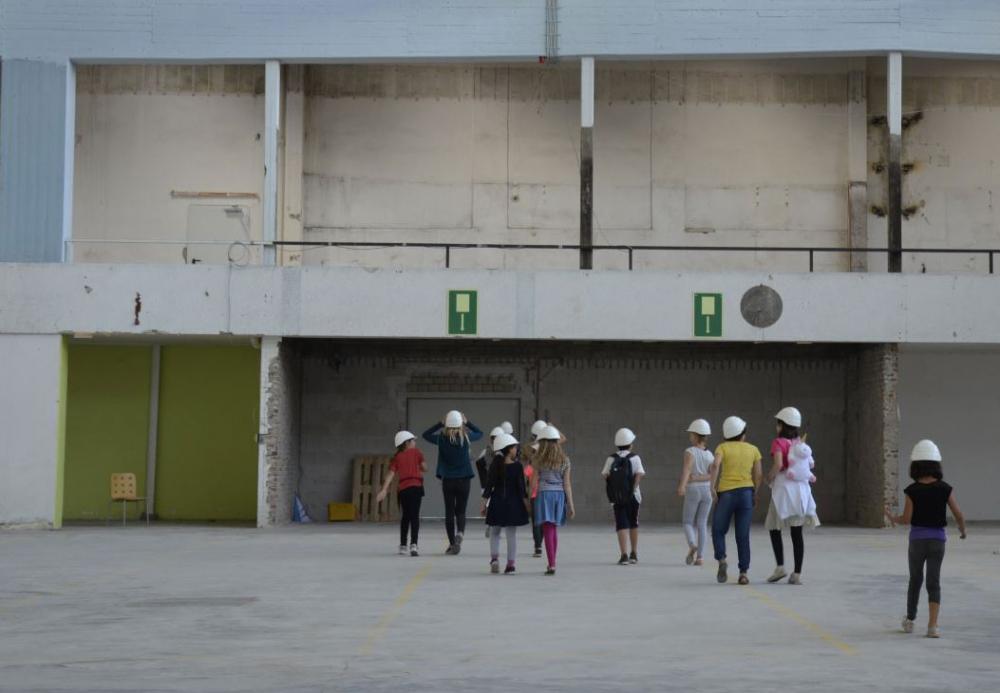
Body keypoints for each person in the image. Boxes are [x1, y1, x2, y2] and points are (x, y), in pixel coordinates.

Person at [886, 439, 967, 638]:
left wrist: (892, 518)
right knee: (934, 581)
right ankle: (933, 626)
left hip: (917, 541)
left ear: (915, 466)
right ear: (936, 465)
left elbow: (907, 519)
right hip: (938, 540)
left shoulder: (912, 490)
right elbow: (958, 514)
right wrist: (962, 530)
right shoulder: (945, 488)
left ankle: (911, 620)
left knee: (915, 579)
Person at [765, 407, 820, 585]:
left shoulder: (778, 442)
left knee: (774, 527)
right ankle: (797, 574)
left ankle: (780, 566)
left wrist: (769, 477)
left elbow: (779, 464)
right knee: (797, 533)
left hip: (782, 490)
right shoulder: (800, 444)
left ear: (781, 425)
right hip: (801, 491)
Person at [710, 416, 762, 585]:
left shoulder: (722, 447)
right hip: (746, 493)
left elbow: (716, 465)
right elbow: (758, 474)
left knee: (718, 530)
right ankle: (743, 573)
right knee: (742, 534)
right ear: (742, 434)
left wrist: (712, 487)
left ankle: (722, 560)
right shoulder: (753, 449)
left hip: (726, 494)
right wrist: (755, 491)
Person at [422, 410, 482, 554]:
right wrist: (468, 422)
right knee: (461, 511)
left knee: (449, 511)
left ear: (447, 425)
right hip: (464, 480)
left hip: (448, 480)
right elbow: (480, 433)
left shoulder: (442, 439)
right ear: (460, 424)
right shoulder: (466, 437)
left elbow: (426, 435)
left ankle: (452, 543)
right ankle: (460, 533)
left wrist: (439, 424)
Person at [481, 433, 530, 574]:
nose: (516, 449)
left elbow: (488, 487)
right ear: (508, 449)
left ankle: (494, 559)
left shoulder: (495, 465)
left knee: (495, 532)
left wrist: (483, 504)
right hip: (513, 504)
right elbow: (521, 489)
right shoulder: (517, 467)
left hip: (497, 502)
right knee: (511, 535)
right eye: (514, 447)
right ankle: (510, 564)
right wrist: (526, 504)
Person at [531, 426, 574, 575]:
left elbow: (533, 482)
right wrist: (571, 505)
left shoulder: (538, 459)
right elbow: (567, 484)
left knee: (548, 529)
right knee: (553, 529)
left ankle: (552, 564)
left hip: (544, 495)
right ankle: (552, 562)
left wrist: (530, 497)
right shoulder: (565, 460)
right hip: (559, 495)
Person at [375, 431, 426, 557]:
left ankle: (403, 545)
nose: (415, 442)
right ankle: (414, 545)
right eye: (413, 440)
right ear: (407, 443)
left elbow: (390, 475)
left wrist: (384, 490)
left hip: (403, 490)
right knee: (415, 516)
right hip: (416, 488)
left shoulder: (397, 457)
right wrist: (419, 466)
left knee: (405, 517)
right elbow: (425, 467)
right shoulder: (417, 452)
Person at [602, 428, 645, 565]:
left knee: (621, 524)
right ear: (630, 443)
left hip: (617, 497)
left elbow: (605, 475)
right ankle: (634, 553)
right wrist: (631, 489)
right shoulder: (635, 457)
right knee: (633, 523)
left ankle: (624, 555)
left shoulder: (611, 458)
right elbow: (639, 475)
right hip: (633, 497)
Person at [677, 419, 714, 567]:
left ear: (696, 435)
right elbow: (712, 475)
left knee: (687, 522)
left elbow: (686, 469)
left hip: (693, 489)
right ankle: (700, 557)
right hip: (707, 490)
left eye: (691, 434)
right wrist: (702, 477)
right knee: (702, 523)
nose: (689, 436)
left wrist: (682, 485)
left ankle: (692, 544)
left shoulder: (690, 451)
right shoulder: (710, 454)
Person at [521, 419, 550, 558]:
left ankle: (537, 546)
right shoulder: (551, 449)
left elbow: (526, 467)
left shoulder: (529, 448)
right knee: (544, 519)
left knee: (536, 519)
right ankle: (539, 544)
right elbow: (563, 439)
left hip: (534, 487)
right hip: (547, 487)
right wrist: (551, 428)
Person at [477, 427, 505, 538]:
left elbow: (479, 465)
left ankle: (491, 525)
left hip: (488, 483)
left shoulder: (486, 451)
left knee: (491, 505)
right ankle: (492, 526)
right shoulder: (503, 453)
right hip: (495, 483)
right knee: (495, 505)